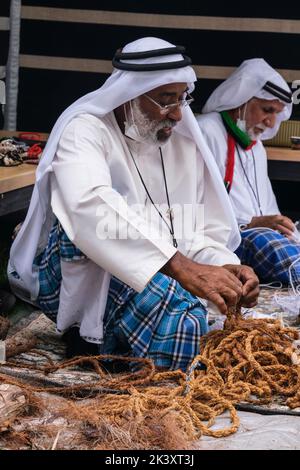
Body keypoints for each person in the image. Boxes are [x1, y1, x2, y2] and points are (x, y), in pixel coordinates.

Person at [7, 38, 259, 371]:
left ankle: (125, 343)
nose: (178, 114)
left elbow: (189, 232)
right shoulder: (85, 131)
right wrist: (181, 267)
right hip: (81, 269)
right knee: (181, 322)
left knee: (189, 324)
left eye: (183, 98)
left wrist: (223, 267)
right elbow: (90, 208)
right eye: (166, 100)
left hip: (156, 269)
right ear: (128, 95)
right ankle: (87, 333)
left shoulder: (180, 142)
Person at [197, 59, 300, 286]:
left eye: (277, 114)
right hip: (226, 240)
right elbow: (193, 207)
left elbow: (268, 207)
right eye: (267, 110)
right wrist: (249, 224)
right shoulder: (206, 132)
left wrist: (284, 228)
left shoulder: (256, 146)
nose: (270, 122)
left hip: (260, 236)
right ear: (242, 98)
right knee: (268, 242)